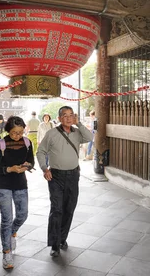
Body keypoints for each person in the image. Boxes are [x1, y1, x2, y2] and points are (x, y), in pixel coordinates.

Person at [36, 106, 93, 257]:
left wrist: (79, 123)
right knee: (57, 209)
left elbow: (90, 138)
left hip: (73, 176)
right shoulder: (52, 134)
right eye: (65, 116)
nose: (68, 118)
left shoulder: (77, 133)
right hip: (56, 176)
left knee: (69, 208)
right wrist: (44, 168)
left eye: (71, 115)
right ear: (60, 118)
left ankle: (62, 238)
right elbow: (41, 151)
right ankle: (55, 244)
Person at [0, 116, 34, 269]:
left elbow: (31, 161)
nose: (18, 136)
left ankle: (12, 232)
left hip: (20, 183)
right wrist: (10, 169)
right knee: (7, 219)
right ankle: (6, 252)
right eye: (15, 133)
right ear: (8, 131)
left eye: (21, 132)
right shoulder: (0, 144)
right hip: (3, 185)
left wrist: (27, 166)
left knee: (23, 214)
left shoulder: (27, 143)